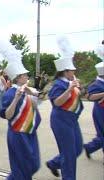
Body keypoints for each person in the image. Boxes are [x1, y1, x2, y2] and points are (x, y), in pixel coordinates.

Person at [0, 45, 41, 180]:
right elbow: (7, 115)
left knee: (34, 165)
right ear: (18, 77)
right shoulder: (10, 94)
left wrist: (33, 95)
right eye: (25, 75)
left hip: (30, 131)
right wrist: (16, 98)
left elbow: (36, 106)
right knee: (22, 170)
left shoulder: (27, 89)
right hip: (18, 134)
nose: (27, 76)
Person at [46, 46, 83, 179]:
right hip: (61, 121)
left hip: (72, 120)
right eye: (72, 70)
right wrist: (69, 89)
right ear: (65, 71)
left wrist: (77, 88)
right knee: (69, 155)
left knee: (78, 148)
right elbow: (57, 102)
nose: (74, 71)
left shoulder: (69, 81)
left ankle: (54, 163)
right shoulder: (58, 84)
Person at [83, 61, 104, 160]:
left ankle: (89, 147)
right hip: (101, 111)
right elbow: (90, 97)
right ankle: (89, 147)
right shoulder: (96, 84)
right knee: (102, 134)